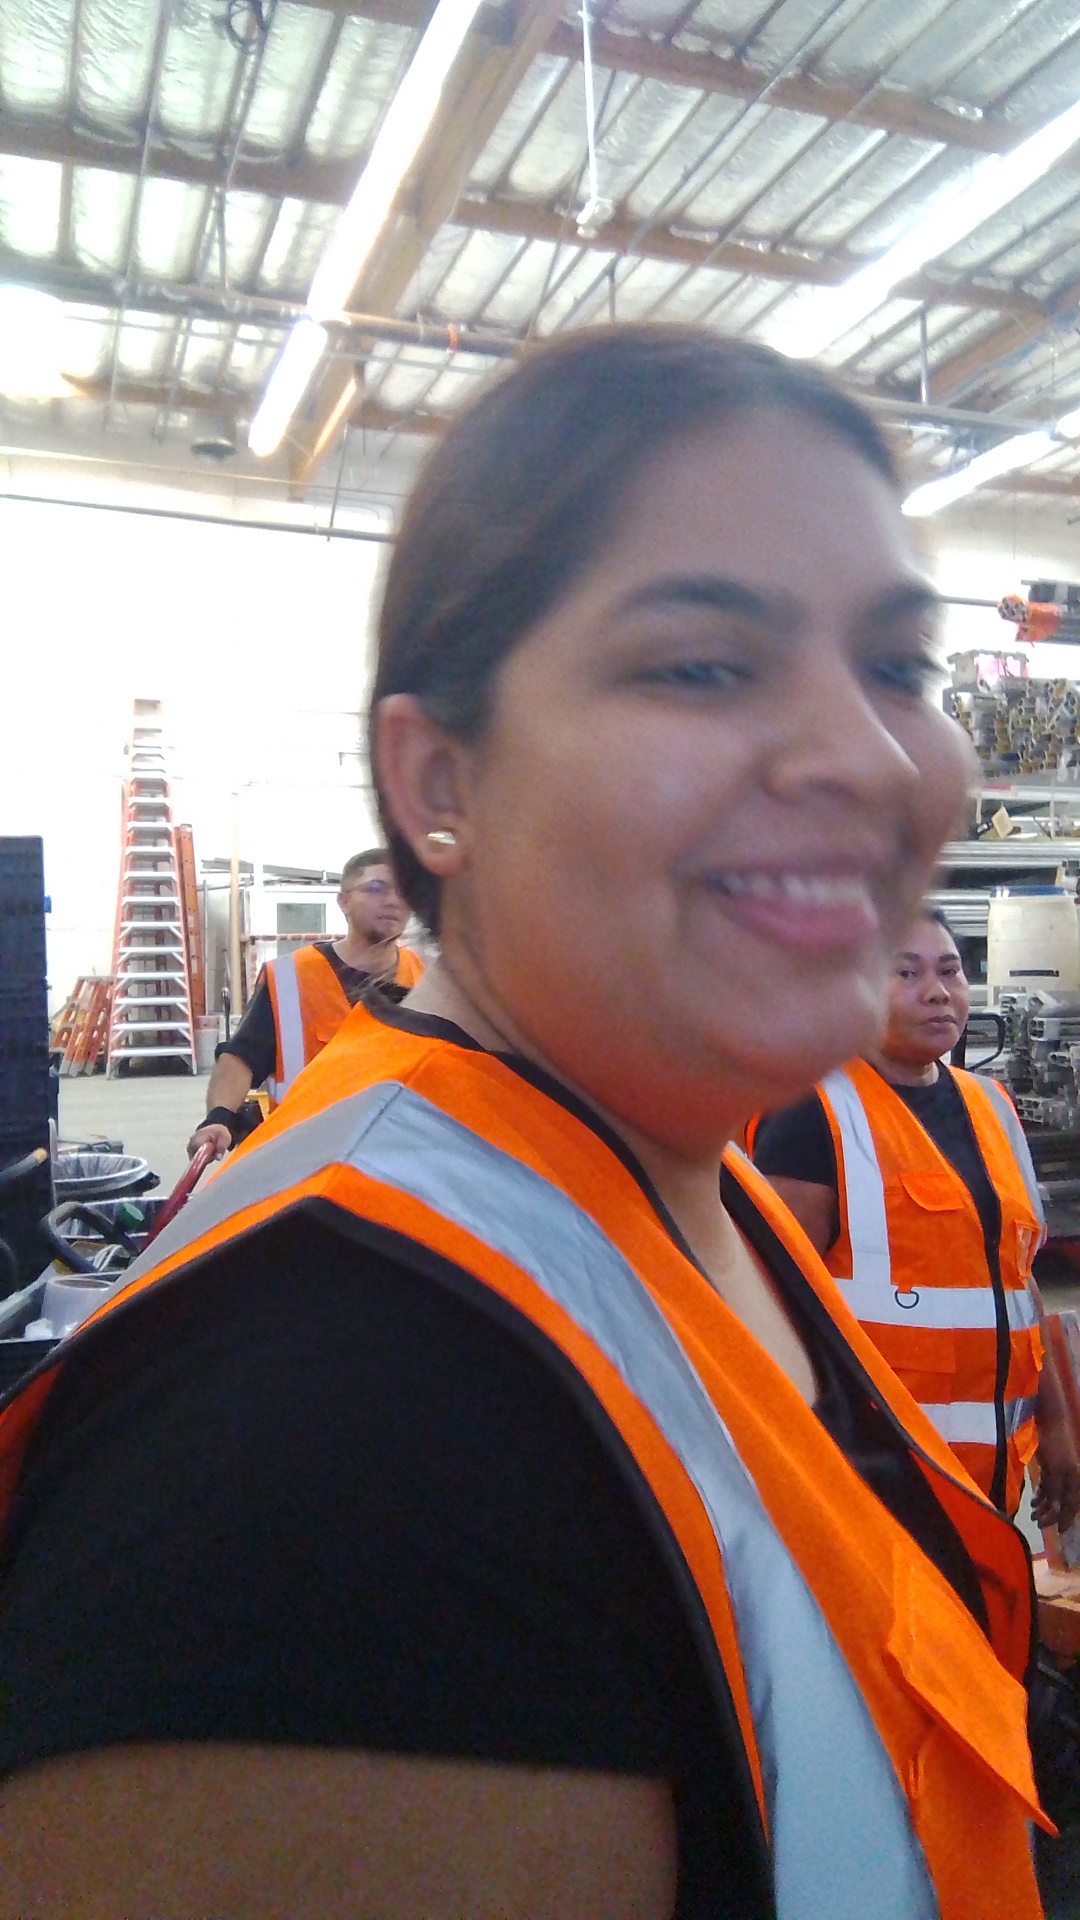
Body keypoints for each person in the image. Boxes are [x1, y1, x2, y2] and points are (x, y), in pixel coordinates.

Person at [0, 329, 1048, 1918]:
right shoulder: (325, 1444)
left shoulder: (679, 1188)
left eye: (900, 668)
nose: (869, 753)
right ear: (441, 782)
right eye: (702, 665)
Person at [752, 906, 1080, 1532]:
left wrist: (1058, 1427)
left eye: (949, 971)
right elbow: (771, 1303)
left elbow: (1019, 1280)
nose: (936, 991)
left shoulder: (992, 1106)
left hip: (990, 1484)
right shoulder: (812, 1114)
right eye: (905, 973)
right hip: (879, 1483)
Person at [187, 847, 424, 1158]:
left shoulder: (426, 977)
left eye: (404, 890)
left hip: (401, 1156)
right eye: (376, 888)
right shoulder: (289, 978)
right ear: (343, 901)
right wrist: (219, 1118)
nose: (393, 901)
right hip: (307, 1158)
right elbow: (241, 1058)